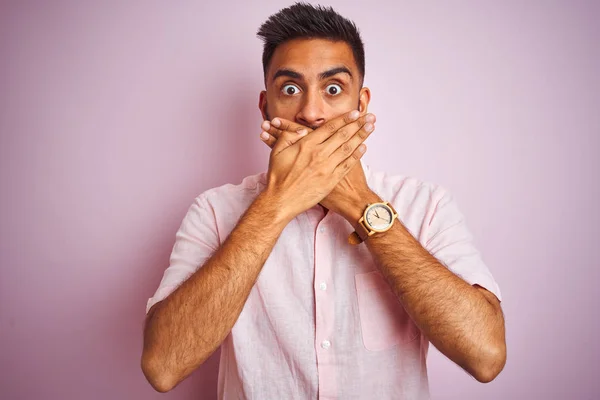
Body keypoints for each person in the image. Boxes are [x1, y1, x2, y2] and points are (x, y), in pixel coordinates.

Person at [141, 3, 506, 398]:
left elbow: (485, 357)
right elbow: (163, 367)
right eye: (291, 89)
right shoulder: (214, 212)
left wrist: (360, 204)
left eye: (333, 89)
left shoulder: (426, 206)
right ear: (266, 108)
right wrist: (277, 203)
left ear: (361, 105)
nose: (312, 113)